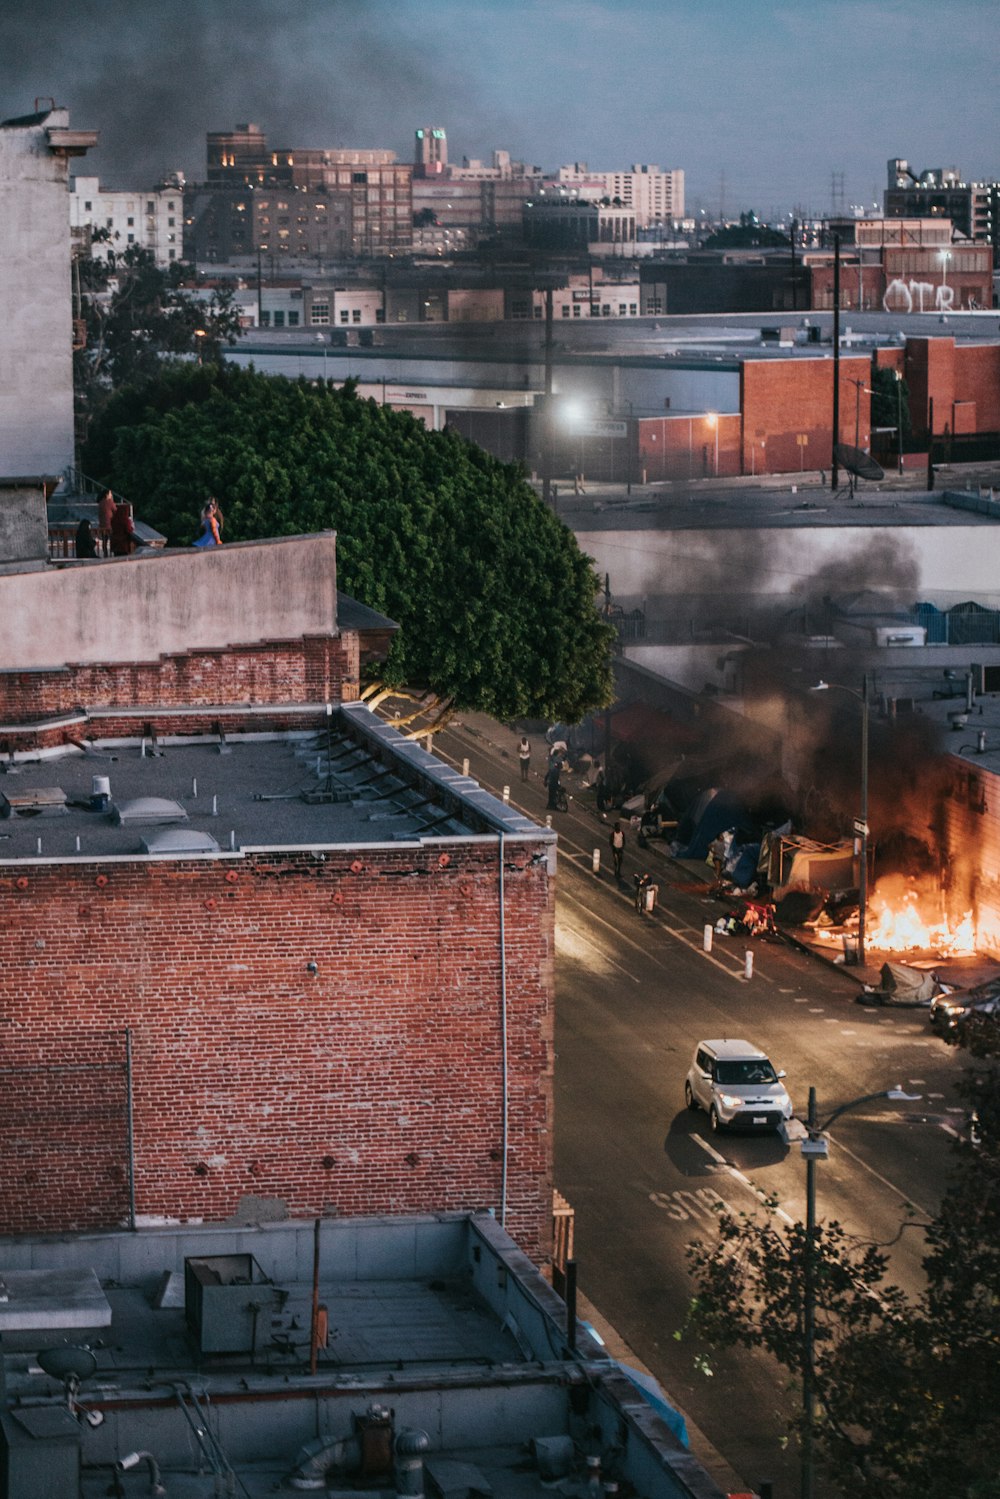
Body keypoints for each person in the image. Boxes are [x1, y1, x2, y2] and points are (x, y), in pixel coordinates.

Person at [97, 489, 116, 555]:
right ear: (107, 495)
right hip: (110, 525)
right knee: (112, 539)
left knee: (104, 540)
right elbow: (115, 510)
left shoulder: (101, 503)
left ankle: (105, 553)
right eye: (110, 493)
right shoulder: (110, 502)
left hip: (102, 525)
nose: (111, 495)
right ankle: (112, 552)